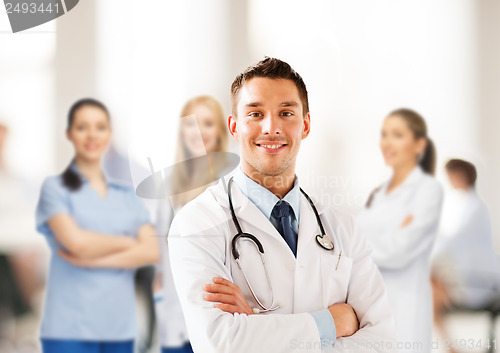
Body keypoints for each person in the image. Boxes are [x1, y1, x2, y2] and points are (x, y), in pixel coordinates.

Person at [168, 57, 397, 353]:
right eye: (255, 113)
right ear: (234, 127)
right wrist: (332, 322)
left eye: (286, 112)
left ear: (305, 125)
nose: (271, 127)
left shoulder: (342, 227)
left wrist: (258, 331)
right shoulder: (197, 223)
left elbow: (384, 343)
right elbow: (222, 343)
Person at [35, 98, 159, 353]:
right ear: (70, 134)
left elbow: (152, 250)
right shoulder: (55, 189)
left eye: (100, 127)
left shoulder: (125, 193)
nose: (92, 135)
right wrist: (127, 242)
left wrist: (94, 257)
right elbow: (76, 243)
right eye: (82, 127)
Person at [356, 109, 443, 353]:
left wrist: (361, 250)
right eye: (384, 134)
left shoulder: (427, 190)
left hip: (406, 303)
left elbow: (398, 251)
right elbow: (352, 238)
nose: (387, 143)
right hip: (371, 307)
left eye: (397, 135)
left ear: (419, 144)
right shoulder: (379, 193)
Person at [155, 96, 229, 353]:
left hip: (217, 316)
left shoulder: (231, 184)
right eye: (191, 124)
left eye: (207, 123)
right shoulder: (170, 185)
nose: (198, 131)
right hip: (175, 319)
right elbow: (160, 248)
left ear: (220, 131)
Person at [431, 159, 500, 345]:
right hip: (468, 277)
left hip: (479, 281)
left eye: (451, 176)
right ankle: (451, 346)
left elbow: (451, 242)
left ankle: (450, 347)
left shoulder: (474, 207)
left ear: (461, 175)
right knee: (427, 291)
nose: (450, 181)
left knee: (427, 291)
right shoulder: (462, 205)